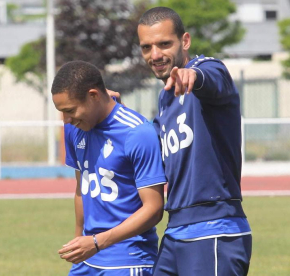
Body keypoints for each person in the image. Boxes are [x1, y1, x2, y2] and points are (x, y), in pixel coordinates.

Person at [135, 6, 252, 276]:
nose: (155, 55)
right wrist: (107, 109)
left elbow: (214, 79)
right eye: (146, 47)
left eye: (164, 44)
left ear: (184, 41)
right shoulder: (165, 97)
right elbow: (146, 140)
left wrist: (194, 76)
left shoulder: (207, 68)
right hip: (175, 231)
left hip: (213, 230)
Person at [52, 60, 167, 276]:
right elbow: (82, 188)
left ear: (93, 95)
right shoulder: (74, 129)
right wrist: (79, 245)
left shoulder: (138, 133)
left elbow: (153, 209)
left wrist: (97, 242)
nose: (66, 120)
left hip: (127, 260)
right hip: (88, 260)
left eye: (70, 110)